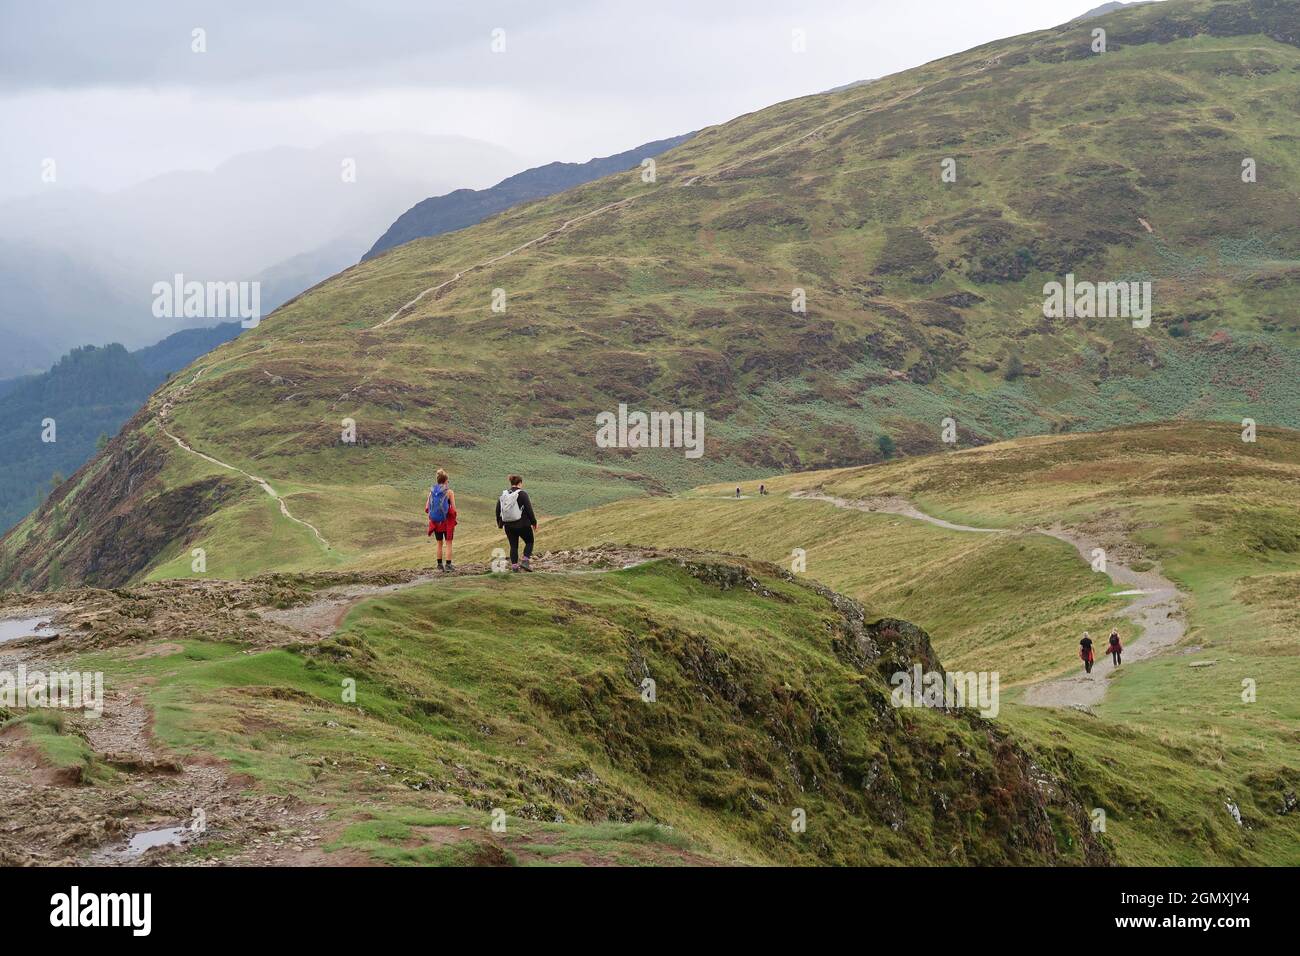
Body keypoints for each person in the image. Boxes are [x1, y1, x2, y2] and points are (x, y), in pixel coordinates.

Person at [496, 474, 537, 572]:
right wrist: (534, 522)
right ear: (520, 483)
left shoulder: (504, 494)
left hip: (508, 525)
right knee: (529, 541)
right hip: (523, 524)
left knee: (513, 546)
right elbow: (529, 509)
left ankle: (514, 568)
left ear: (511, 483)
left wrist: (500, 523)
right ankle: (525, 562)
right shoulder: (522, 494)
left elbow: (498, 510)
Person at [425, 468, 457, 571]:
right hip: (446, 522)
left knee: (439, 543)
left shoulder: (432, 492)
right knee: (448, 543)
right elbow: (454, 509)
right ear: (445, 481)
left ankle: (439, 565)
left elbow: (427, 508)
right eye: (448, 480)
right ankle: (448, 565)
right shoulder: (449, 492)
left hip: (436, 522)